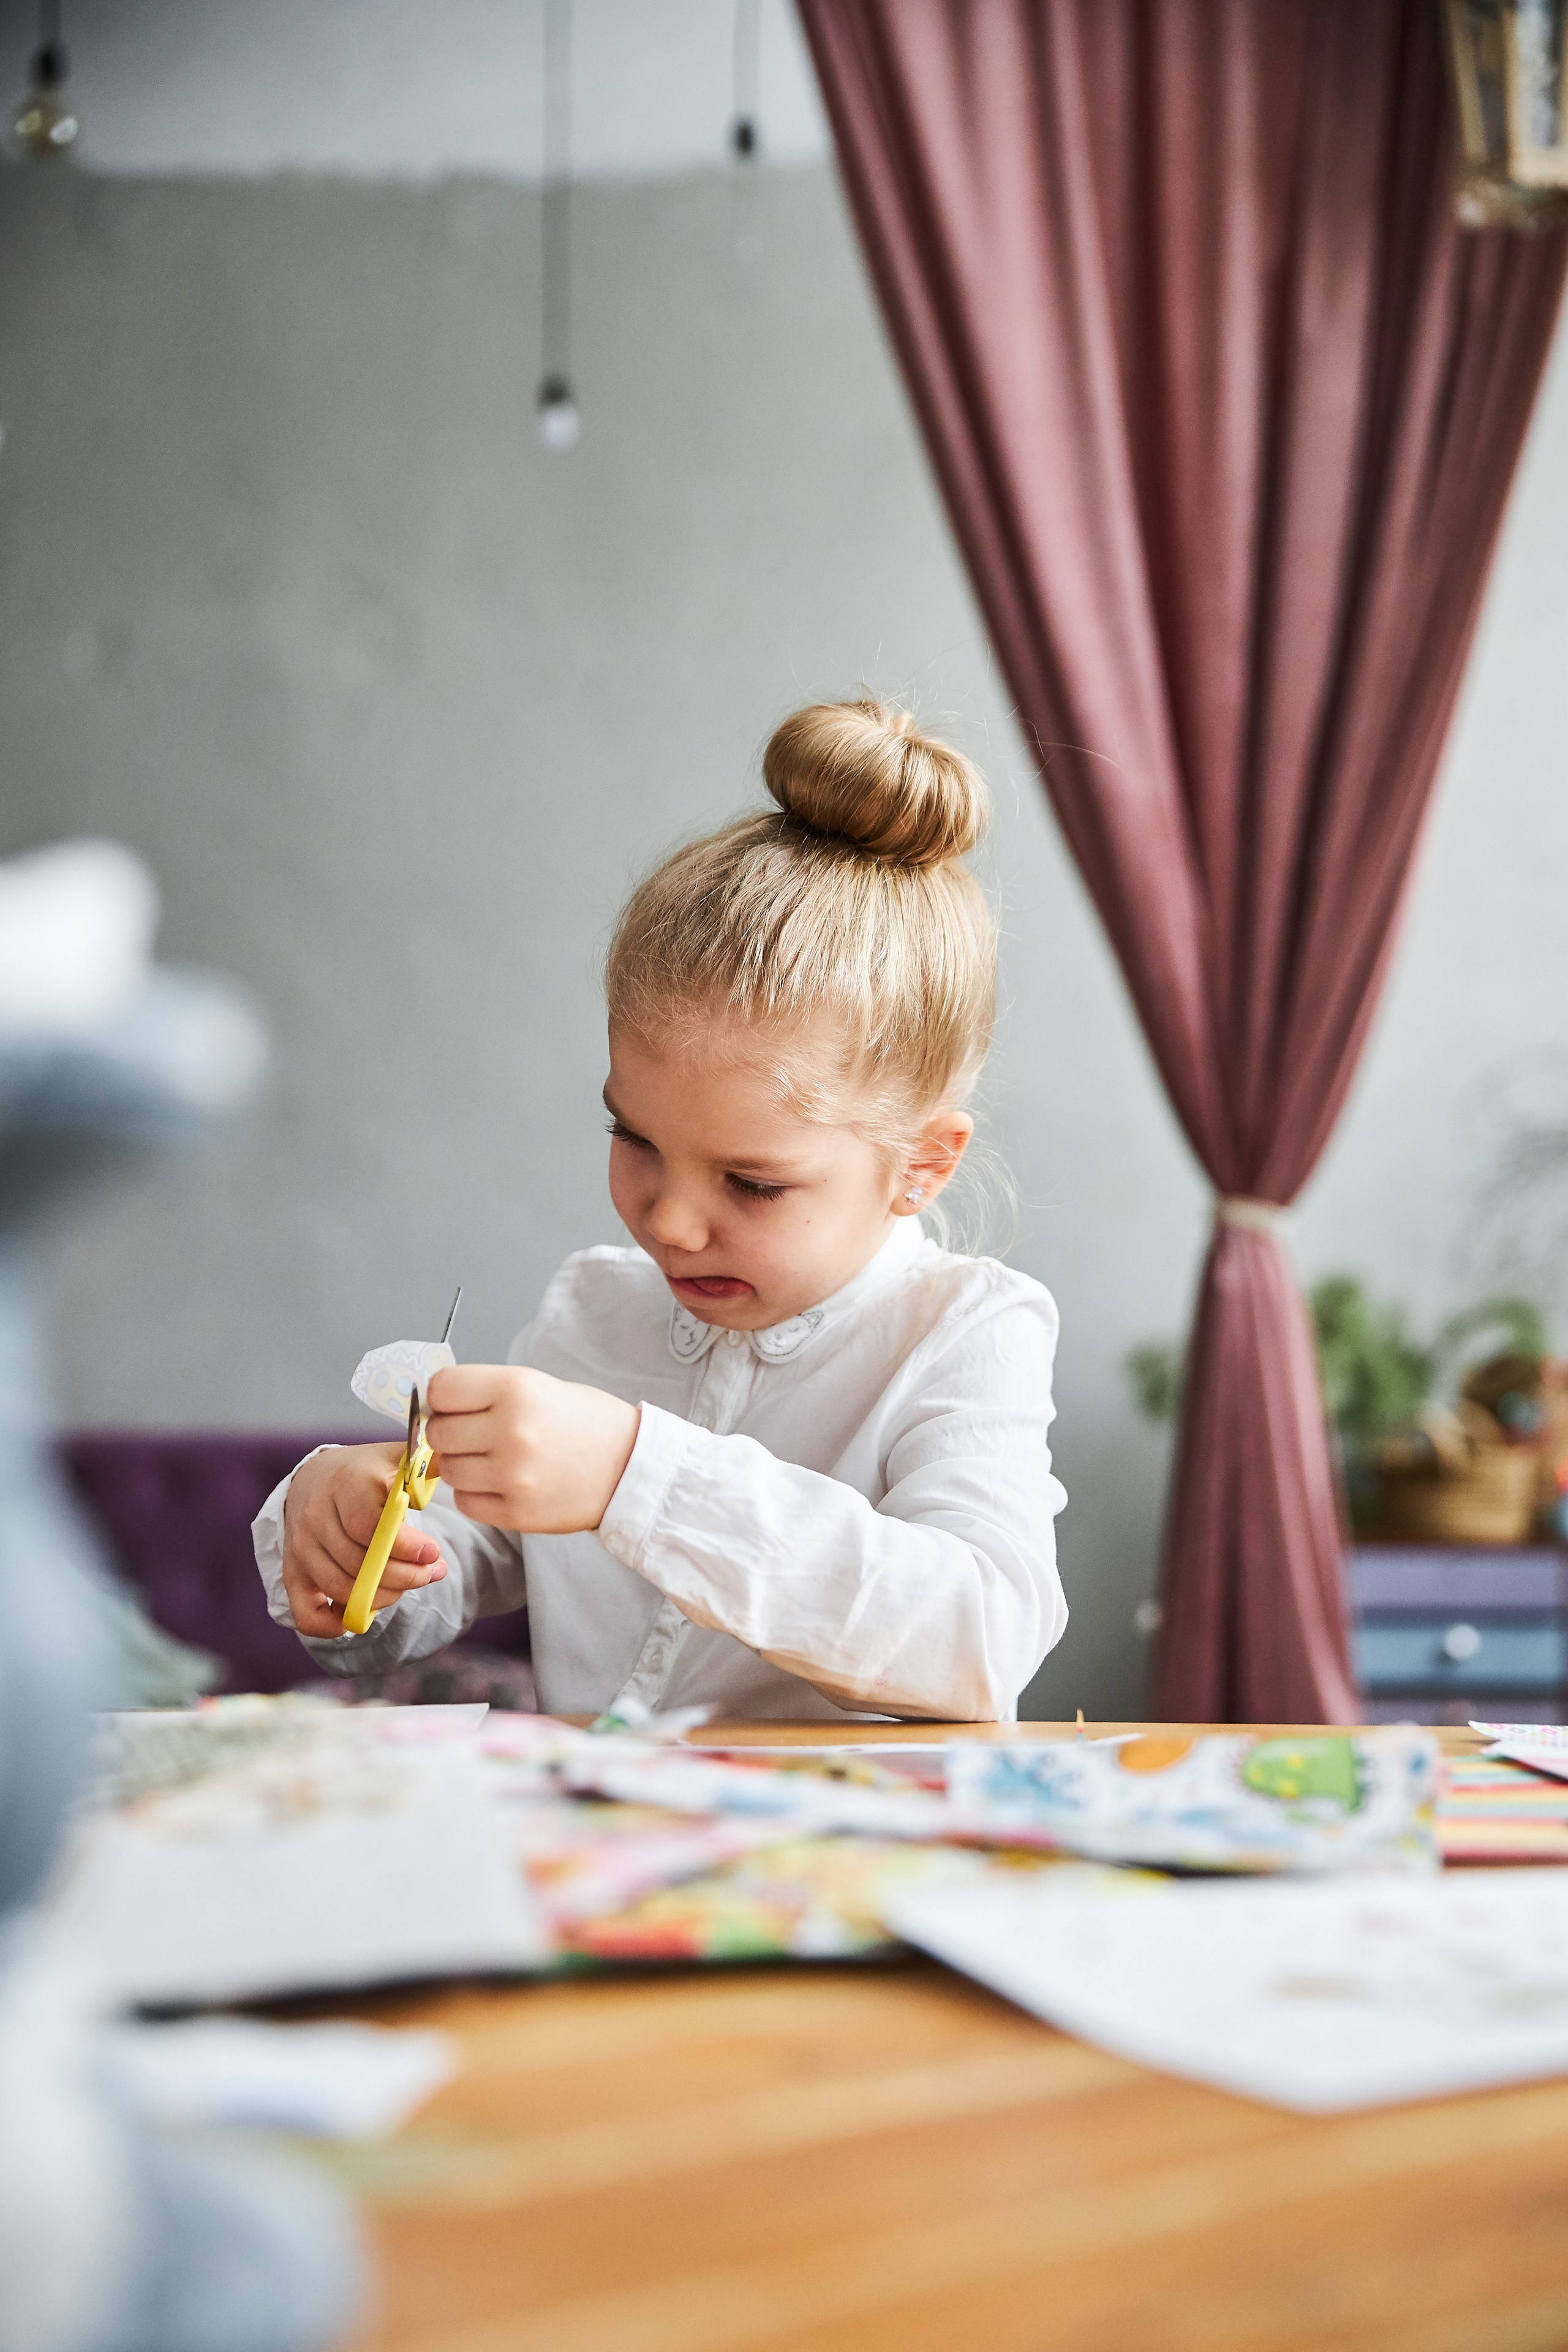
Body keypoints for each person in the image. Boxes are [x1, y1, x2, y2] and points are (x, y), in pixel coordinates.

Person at [256, 699, 1067, 1723]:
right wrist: (356, 1540)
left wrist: (636, 1476)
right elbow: (454, 1566)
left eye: (754, 1183)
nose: (671, 1224)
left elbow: (981, 1644)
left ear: (920, 1166)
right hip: (598, 1855)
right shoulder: (590, 1313)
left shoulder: (964, 1332)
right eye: (634, 1140)